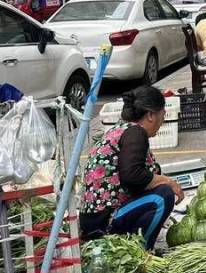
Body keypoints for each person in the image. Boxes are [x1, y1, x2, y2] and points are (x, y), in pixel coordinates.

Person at [79, 86, 184, 247]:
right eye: (163, 114)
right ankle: (141, 253)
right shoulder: (136, 133)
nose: (163, 120)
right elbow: (132, 176)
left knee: (159, 189)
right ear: (150, 115)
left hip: (96, 219)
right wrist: (168, 182)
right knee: (162, 196)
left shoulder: (122, 129)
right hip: (103, 222)